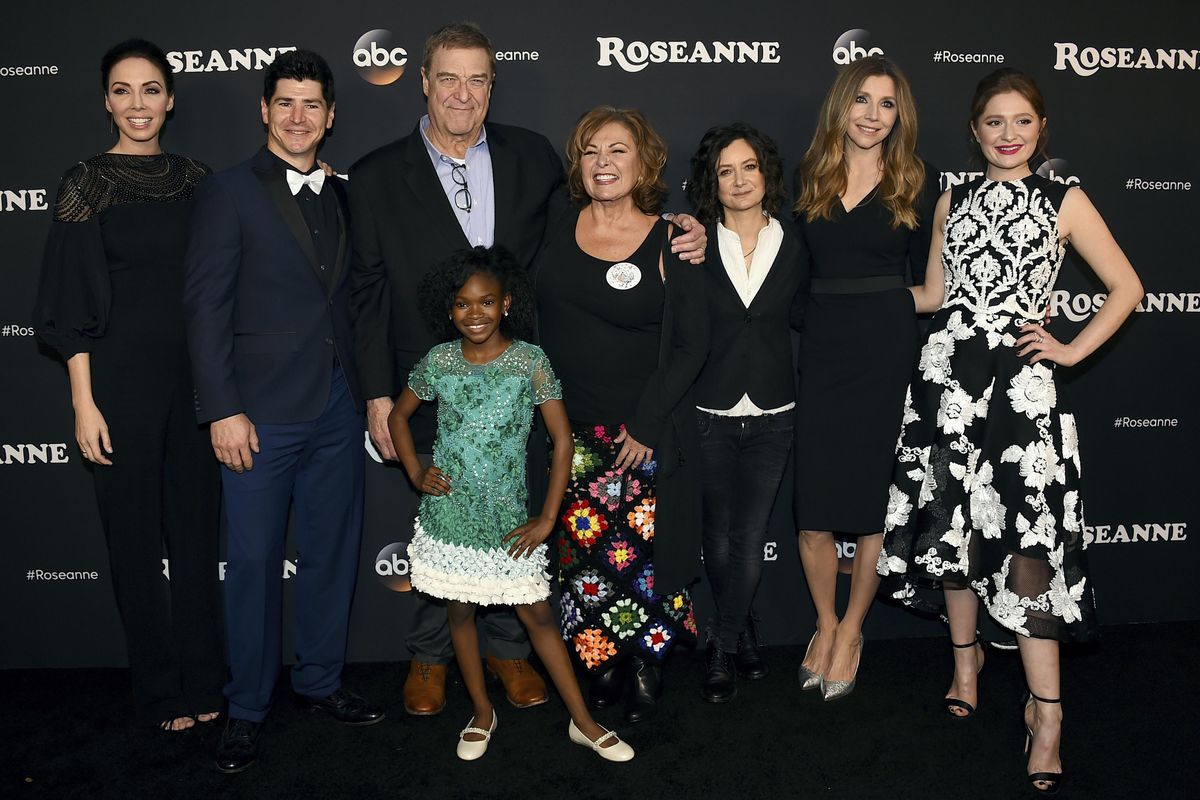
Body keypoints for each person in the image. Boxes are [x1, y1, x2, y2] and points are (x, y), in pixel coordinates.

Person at [348, 22, 705, 716]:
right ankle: (431, 659)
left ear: (491, 86)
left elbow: (604, 217)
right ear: (423, 82)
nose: (462, 93)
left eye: (476, 79)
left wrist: (682, 226)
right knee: (443, 515)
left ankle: (511, 653)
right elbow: (363, 294)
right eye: (447, 77)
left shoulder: (532, 156)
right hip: (430, 385)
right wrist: (374, 394)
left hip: (516, 389)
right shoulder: (373, 174)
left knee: (510, 515)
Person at [877, 68, 1142, 795]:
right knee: (953, 532)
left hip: (1020, 395)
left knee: (1029, 548)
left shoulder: (1065, 198)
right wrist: (851, 295)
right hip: (947, 382)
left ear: (1041, 129)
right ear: (974, 130)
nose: (1008, 134)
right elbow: (933, 293)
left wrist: (1069, 348)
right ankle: (966, 663)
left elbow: (1129, 287)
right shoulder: (949, 199)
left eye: (1022, 121)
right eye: (994, 121)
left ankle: (1046, 713)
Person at [183, 49, 383, 774]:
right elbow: (204, 306)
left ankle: (322, 682)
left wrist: (369, 395)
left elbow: (356, 298)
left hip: (337, 405)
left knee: (332, 553)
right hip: (258, 413)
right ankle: (245, 707)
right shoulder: (227, 191)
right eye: (286, 103)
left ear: (331, 116)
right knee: (257, 561)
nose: (299, 117)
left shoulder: (345, 192)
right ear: (265, 110)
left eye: (313, 105)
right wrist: (222, 409)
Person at [32, 38, 224, 734]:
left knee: (199, 539)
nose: (137, 104)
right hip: (117, 387)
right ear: (106, 100)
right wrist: (83, 401)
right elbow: (67, 303)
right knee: (135, 546)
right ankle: (161, 693)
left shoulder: (201, 179)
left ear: (170, 99)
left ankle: (207, 680)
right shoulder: (84, 181)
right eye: (123, 90)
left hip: (197, 385)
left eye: (150, 90)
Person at [388, 246, 634, 762]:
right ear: (448, 308)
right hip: (449, 518)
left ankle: (584, 722)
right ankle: (481, 712)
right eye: (462, 303)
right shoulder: (439, 361)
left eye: (485, 302)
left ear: (506, 304)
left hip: (509, 522)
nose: (473, 313)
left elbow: (562, 443)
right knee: (459, 613)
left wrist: (547, 516)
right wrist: (415, 471)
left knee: (539, 617)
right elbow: (397, 418)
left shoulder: (530, 361)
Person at [536, 106, 708, 724]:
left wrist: (646, 422)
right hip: (567, 432)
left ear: (644, 162)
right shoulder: (553, 221)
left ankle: (643, 661)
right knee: (583, 559)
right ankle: (600, 660)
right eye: (590, 151)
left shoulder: (671, 237)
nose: (603, 163)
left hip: (642, 431)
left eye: (617, 151)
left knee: (641, 558)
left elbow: (692, 344)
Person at [791, 56, 939, 701]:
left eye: (886, 104)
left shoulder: (918, 182)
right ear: (840, 107)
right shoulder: (808, 177)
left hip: (884, 349)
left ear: (898, 115)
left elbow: (935, 290)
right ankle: (823, 623)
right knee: (815, 508)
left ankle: (853, 630)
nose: (872, 116)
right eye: (862, 101)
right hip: (821, 346)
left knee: (872, 503)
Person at [685, 123, 809, 702]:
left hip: (774, 409)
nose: (738, 180)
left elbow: (813, 315)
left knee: (751, 535)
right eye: (725, 170)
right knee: (718, 539)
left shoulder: (797, 240)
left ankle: (724, 644)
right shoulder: (691, 242)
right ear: (712, 180)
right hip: (709, 409)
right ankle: (743, 630)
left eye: (749, 167)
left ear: (767, 173)